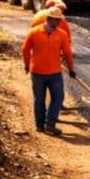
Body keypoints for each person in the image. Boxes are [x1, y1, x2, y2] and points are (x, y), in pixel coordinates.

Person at [21, 7, 74, 135]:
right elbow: (25, 49)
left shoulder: (62, 34)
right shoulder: (34, 32)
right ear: (49, 19)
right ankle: (39, 125)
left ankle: (50, 124)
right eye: (56, 20)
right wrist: (27, 64)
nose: (59, 23)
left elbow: (67, 53)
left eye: (59, 21)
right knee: (39, 99)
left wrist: (71, 69)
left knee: (58, 97)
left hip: (55, 72)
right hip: (37, 73)